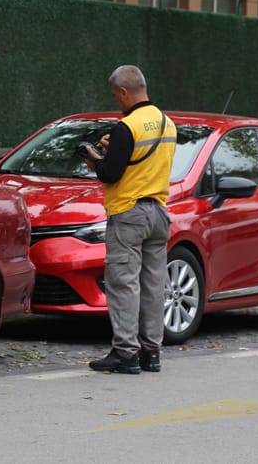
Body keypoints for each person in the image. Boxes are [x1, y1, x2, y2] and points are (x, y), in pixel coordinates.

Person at [81, 64, 176, 374]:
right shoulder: (167, 123)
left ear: (124, 92)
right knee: (153, 284)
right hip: (159, 213)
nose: (116, 101)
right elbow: (140, 162)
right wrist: (116, 153)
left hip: (128, 213)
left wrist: (94, 158)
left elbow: (111, 173)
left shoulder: (127, 127)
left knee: (124, 284)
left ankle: (125, 353)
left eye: (115, 95)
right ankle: (152, 352)